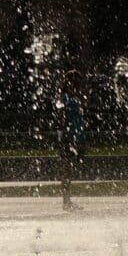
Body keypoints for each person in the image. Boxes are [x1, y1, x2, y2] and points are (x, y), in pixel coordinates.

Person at [58, 70, 85, 211]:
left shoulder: (72, 98)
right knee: (66, 170)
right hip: (68, 138)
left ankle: (67, 200)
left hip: (73, 136)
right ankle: (66, 202)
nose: (79, 86)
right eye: (78, 83)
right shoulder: (66, 98)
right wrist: (69, 139)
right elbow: (63, 120)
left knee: (69, 170)